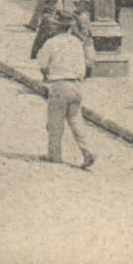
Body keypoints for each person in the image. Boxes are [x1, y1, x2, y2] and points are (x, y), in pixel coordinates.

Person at [37, 11, 95, 170]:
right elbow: (83, 67)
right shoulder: (76, 42)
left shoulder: (51, 43)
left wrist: (46, 75)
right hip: (75, 85)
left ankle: (54, 155)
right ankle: (88, 151)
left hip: (59, 85)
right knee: (76, 121)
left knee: (55, 122)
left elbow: (42, 64)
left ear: (56, 26)